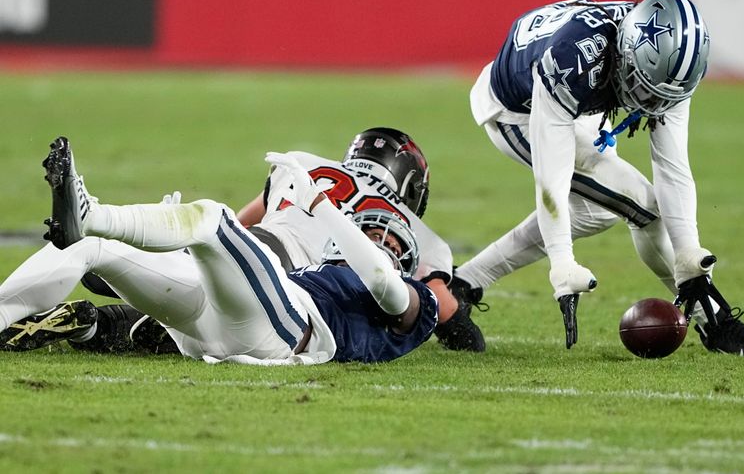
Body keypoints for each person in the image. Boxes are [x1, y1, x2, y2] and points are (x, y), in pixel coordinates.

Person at [449, 0, 744, 355]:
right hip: (519, 108)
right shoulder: (574, 62)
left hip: (581, 99)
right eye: (643, 89)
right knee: (644, 209)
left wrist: (687, 251)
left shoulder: (671, 71)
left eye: (660, 98)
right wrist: (562, 262)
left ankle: (463, 283)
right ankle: (715, 323)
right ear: (625, 52)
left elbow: (672, 167)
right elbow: (551, 181)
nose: (649, 105)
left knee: (600, 208)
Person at [0, 137, 438, 364]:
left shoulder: (415, 300)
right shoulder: (329, 267)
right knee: (94, 248)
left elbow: (382, 279)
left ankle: (92, 213)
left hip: (282, 330)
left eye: (393, 242)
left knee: (214, 217)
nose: (381, 243)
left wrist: (322, 206)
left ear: (408, 258)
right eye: (376, 234)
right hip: (218, 321)